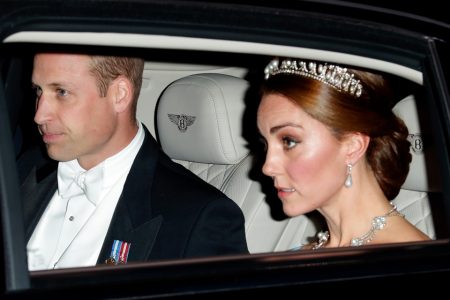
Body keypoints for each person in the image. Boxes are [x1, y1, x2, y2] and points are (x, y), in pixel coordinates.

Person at [19, 53, 248, 270]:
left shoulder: (199, 217)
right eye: (39, 90)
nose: (39, 115)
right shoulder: (21, 170)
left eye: (61, 92)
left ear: (119, 94)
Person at [257, 58, 430, 249]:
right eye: (265, 144)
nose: (267, 167)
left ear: (353, 146)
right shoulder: (305, 253)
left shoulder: (409, 264)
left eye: (289, 141)